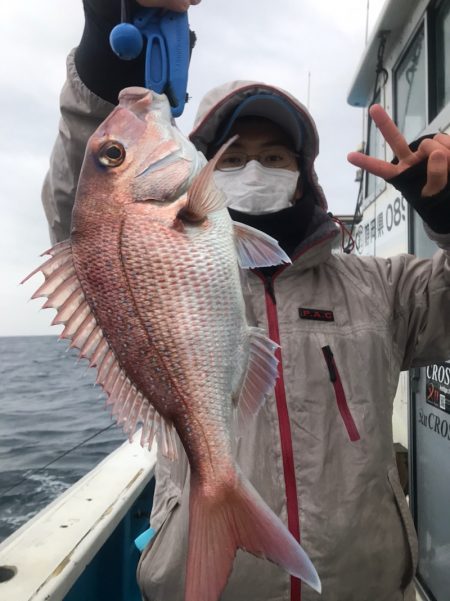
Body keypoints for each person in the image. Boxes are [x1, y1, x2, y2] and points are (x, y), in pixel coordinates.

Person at [42, 1, 450, 600]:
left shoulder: (383, 288)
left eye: (276, 157)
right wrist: (107, 44)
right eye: (233, 157)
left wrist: (447, 218)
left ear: (304, 176)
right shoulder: (150, 235)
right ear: (206, 171)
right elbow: (88, 215)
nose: (255, 168)